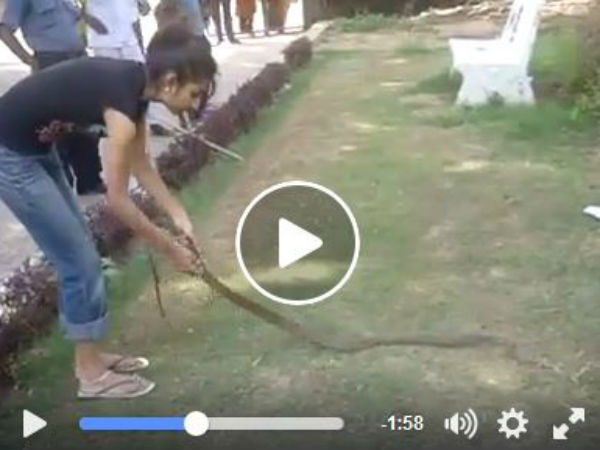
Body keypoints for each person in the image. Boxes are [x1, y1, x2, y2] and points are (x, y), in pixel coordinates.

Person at [0, 24, 217, 399]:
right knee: (79, 261)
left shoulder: (136, 90)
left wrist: (179, 215)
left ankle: (92, 358)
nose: (197, 105)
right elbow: (118, 200)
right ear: (170, 82)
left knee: (80, 251)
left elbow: (142, 166)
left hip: (36, 149)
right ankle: (90, 375)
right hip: (10, 155)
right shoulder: (122, 108)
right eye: (195, 93)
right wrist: (171, 250)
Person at [0, 0, 107, 195]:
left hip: (78, 58)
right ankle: (63, 182)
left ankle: (90, 179)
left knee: (85, 120)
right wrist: (28, 59)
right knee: (57, 124)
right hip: (51, 61)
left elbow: (75, 17)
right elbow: (4, 29)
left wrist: (89, 23)